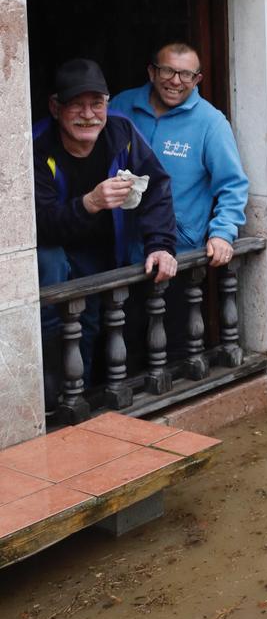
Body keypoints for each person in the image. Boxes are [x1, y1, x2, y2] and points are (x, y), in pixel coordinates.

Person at [33, 57, 178, 383]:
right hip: (57, 266)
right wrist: (89, 203)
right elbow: (37, 224)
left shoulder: (121, 130)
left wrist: (160, 244)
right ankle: (64, 406)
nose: (88, 115)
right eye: (76, 105)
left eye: (96, 104)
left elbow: (156, 187)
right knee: (65, 331)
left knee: (100, 327)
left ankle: (91, 402)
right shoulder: (37, 147)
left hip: (108, 255)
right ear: (55, 108)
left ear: (107, 104)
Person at [110, 41, 248, 264]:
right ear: (152, 72)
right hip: (117, 249)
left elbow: (232, 185)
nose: (175, 81)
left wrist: (223, 233)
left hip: (178, 254)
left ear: (197, 80)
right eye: (167, 70)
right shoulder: (122, 106)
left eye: (186, 74)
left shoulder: (211, 123)